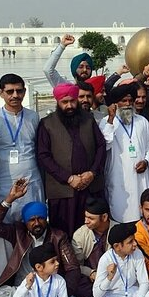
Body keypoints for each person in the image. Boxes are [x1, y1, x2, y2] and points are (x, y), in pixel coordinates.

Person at [0, 180, 86, 297]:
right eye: (32, 220)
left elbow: (73, 268)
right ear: (25, 222)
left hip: (49, 289)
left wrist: (61, 294)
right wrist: (9, 199)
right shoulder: (18, 233)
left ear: (46, 219)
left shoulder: (58, 236)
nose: (37, 223)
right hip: (24, 288)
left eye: (40, 219)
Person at [0, 74, 44, 286]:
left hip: (32, 184)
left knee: (34, 232)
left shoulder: (33, 117)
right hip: (4, 186)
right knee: (4, 238)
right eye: (9, 91)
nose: (15, 95)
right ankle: (3, 283)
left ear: (24, 92)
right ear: (1, 93)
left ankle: (36, 280)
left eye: (19, 91)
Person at [37, 83, 106, 236]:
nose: (69, 105)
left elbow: (101, 146)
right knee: (63, 233)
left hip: (90, 187)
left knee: (92, 232)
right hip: (62, 192)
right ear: (57, 102)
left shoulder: (88, 119)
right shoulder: (47, 123)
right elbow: (43, 156)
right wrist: (68, 178)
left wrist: (92, 173)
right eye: (64, 102)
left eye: (72, 101)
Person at [100, 84, 149, 222]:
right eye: (123, 101)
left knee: (143, 213)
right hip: (119, 178)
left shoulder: (142, 121)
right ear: (116, 103)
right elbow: (105, 144)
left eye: (130, 100)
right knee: (121, 214)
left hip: (141, 177)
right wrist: (111, 119)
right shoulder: (106, 122)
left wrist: (146, 161)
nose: (127, 104)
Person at [72, 197, 117, 297]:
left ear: (104, 217)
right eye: (86, 217)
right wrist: (90, 272)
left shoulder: (118, 230)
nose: (86, 221)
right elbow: (75, 265)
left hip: (114, 275)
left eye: (91, 218)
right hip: (91, 277)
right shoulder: (80, 235)